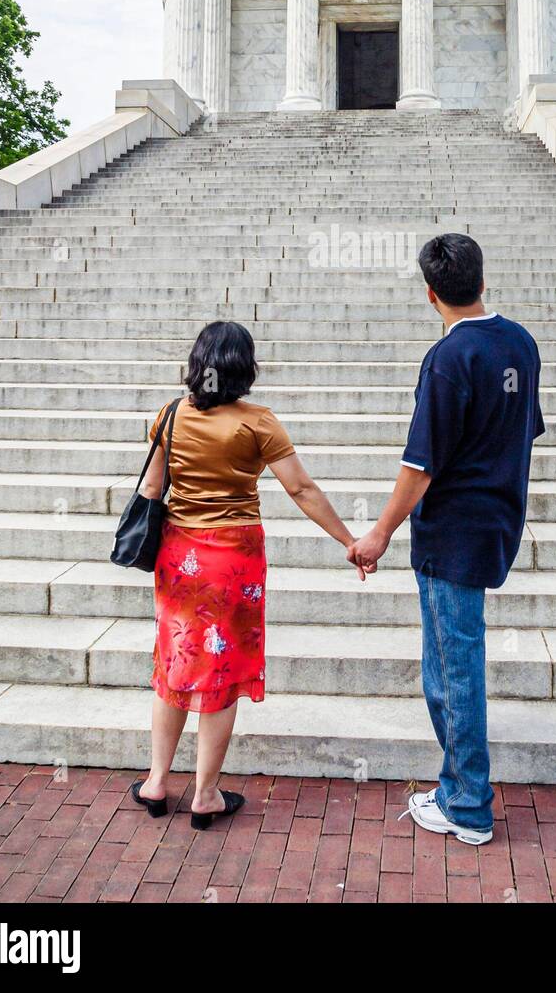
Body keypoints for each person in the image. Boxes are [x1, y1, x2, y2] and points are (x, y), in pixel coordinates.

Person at [348, 234, 545, 845]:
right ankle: (458, 785)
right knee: (452, 660)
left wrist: (379, 533)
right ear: (483, 280)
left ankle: (467, 804)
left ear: (430, 293)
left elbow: (420, 465)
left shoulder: (447, 358)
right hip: (496, 522)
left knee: (451, 668)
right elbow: (525, 432)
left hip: (451, 533)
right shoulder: (521, 342)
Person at [131, 320, 361, 829]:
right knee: (222, 670)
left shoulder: (170, 415)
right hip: (234, 561)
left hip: (180, 558)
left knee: (176, 661)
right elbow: (301, 490)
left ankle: (154, 782)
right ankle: (206, 794)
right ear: (245, 367)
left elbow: (151, 487)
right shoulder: (259, 422)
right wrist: (349, 541)